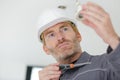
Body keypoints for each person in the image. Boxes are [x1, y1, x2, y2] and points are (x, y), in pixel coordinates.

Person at [37, 1, 120, 80]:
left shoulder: (106, 64)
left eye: (64, 29)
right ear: (46, 49)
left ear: (78, 36)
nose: (60, 37)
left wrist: (112, 38)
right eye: (51, 35)